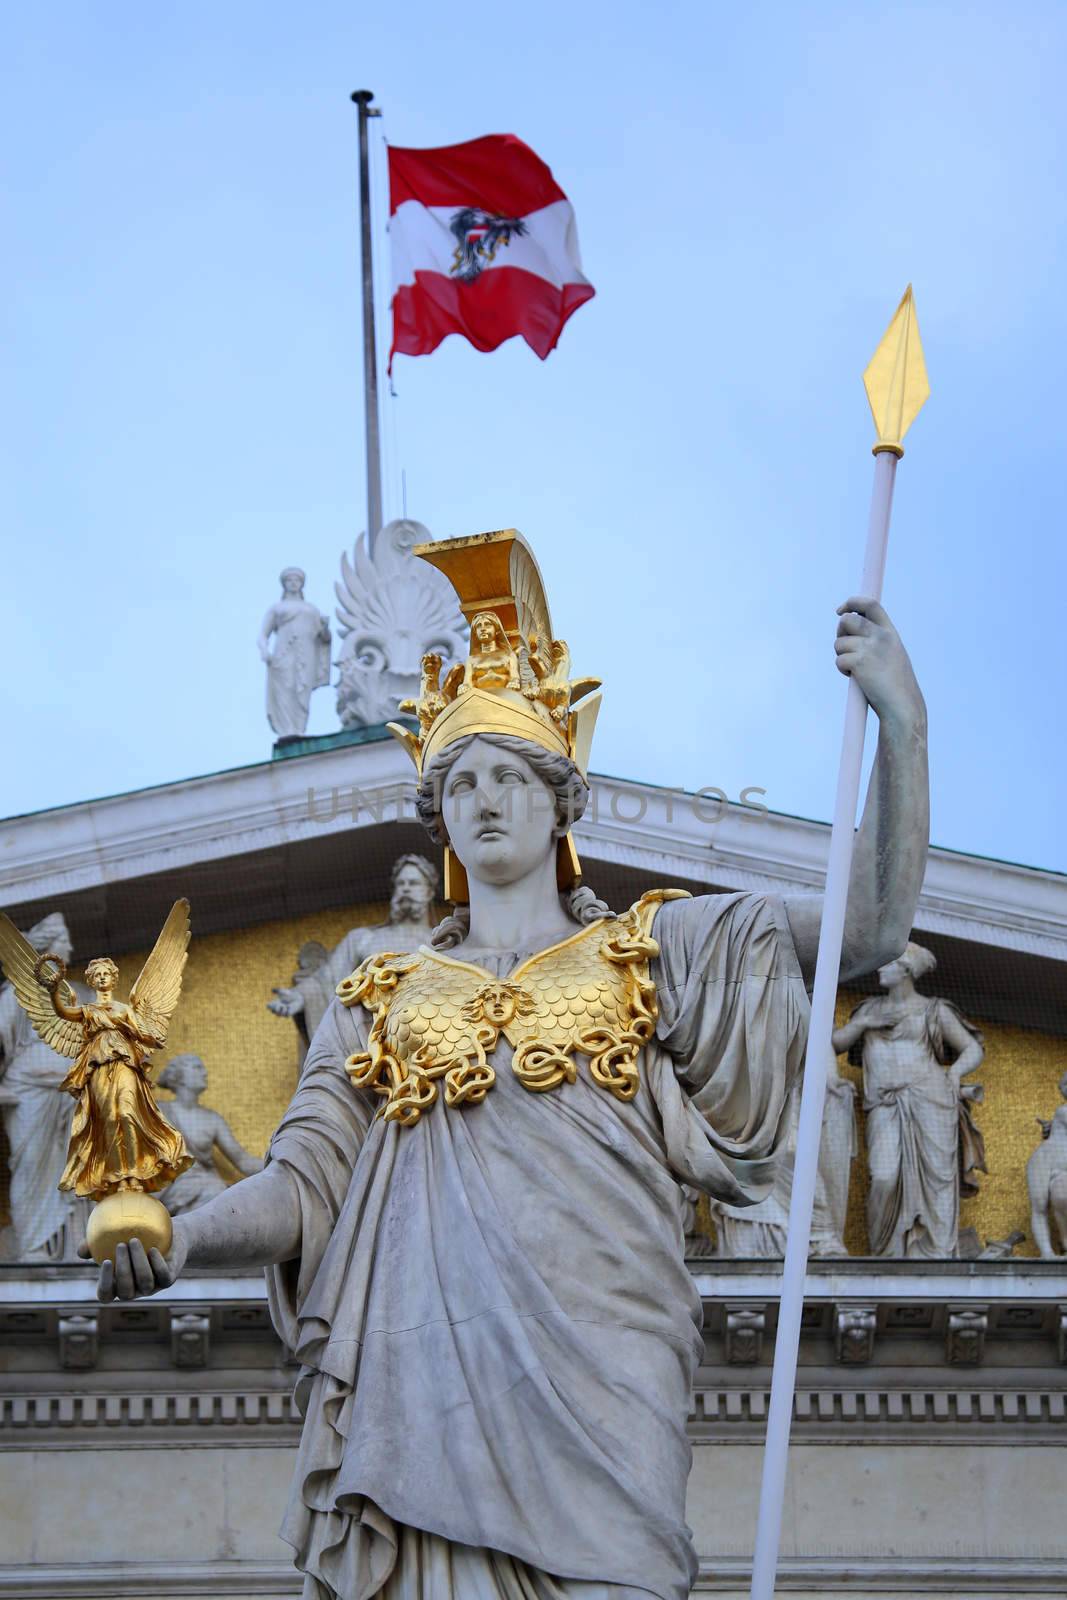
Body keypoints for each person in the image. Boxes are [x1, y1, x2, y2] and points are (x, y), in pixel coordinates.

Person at [85, 531, 929, 1600]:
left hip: (605, 1368)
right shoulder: (375, 984)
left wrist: (901, 722)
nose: (484, 800)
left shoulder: (648, 952)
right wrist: (178, 1233)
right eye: (461, 783)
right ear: (438, 816)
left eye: (509, 777)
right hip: (422, 1385)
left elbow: (865, 925)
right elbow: (305, 1187)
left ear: (560, 796)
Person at [832, 943, 985, 1258]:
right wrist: (861, 1025)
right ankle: (887, 1253)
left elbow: (972, 1049)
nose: (879, 970)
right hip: (885, 1106)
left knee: (936, 1183)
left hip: (930, 1101)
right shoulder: (868, 1011)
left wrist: (954, 1074)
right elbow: (832, 1043)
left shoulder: (934, 1010)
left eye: (886, 965)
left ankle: (935, 1252)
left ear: (905, 971)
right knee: (884, 1176)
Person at [268, 855, 439, 1040]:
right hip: (373, 1038)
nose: (405, 888)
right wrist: (301, 996)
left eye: (413, 883)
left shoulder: (440, 942)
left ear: (429, 892)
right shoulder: (363, 938)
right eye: (401, 883)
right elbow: (329, 979)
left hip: (429, 1035)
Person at [0, 913, 86, 1259]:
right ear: (47, 948)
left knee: (76, 1164)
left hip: (72, 1091)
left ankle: (76, 1244)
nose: (70, 947)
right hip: (28, 1092)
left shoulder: (76, 994)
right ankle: (34, 1247)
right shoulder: (20, 991)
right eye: (64, 941)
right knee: (32, 1165)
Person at [156, 1054, 264, 1214]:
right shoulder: (158, 1112)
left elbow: (242, 1160)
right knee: (214, 1192)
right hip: (171, 1185)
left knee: (221, 1194)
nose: (204, 1073)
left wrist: (277, 1165)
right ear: (179, 1076)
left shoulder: (212, 1119)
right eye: (197, 1067)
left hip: (206, 1183)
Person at [258, 568, 331, 739]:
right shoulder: (277, 608)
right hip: (283, 652)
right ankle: (286, 730)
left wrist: (326, 626)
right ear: (284, 584)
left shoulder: (311, 609)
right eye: (289, 580)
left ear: (301, 584)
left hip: (307, 652)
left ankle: (299, 728)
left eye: (296, 580)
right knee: (286, 688)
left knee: (302, 688)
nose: (293, 583)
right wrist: (264, 652)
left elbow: (324, 638)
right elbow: (263, 634)